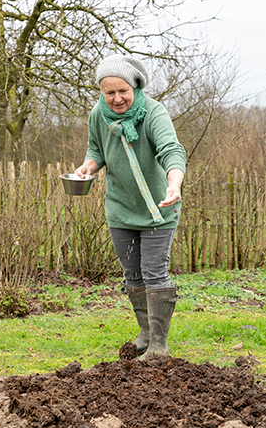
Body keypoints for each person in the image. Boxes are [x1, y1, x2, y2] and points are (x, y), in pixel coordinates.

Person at [75, 54, 186, 360]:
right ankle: (146, 333)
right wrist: (88, 167)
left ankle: (160, 344)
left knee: (154, 272)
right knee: (132, 274)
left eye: (122, 91)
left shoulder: (153, 113)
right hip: (121, 208)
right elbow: (97, 149)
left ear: (135, 86)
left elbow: (171, 151)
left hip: (158, 207)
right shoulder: (99, 113)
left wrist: (174, 183)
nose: (116, 98)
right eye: (109, 92)